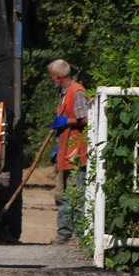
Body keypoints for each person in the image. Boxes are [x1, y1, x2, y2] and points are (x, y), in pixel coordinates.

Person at [47, 59, 88, 242]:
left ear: (58, 76)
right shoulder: (64, 93)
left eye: (51, 77)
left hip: (76, 151)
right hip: (66, 149)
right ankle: (64, 232)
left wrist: (66, 122)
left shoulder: (76, 91)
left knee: (77, 193)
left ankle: (78, 234)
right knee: (62, 193)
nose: (51, 81)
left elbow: (86, 118)